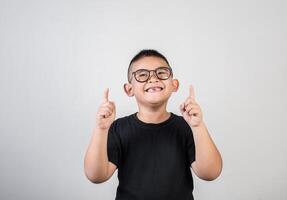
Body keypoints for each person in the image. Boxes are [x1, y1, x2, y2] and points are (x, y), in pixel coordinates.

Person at [84, 49, 223, 200]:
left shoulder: (187, 127)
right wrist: (101, 129)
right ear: (129, 89)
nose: (153, 79)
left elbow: (210, 173)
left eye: (161, 73)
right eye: (142, 75)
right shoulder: (118, 128)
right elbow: (96, 176)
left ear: (174, 85)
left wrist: (198, 126)